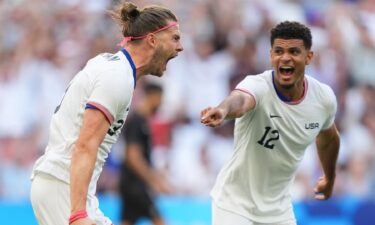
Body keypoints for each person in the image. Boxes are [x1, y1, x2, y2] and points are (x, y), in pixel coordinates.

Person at [30, 1, 183, 225]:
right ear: (152, 39)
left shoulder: (112, 66)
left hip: (64, 187)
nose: (180, 47)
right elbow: (86, 145)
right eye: (175, 38)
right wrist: (78, 215)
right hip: (63, 187)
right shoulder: (117, 76)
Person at [201, 21, 340, 225]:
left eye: (294, 51)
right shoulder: (257, 85)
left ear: (309, 57)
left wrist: (329, 178)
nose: (285, 58)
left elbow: (328, 138)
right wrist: (223, 110)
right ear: (270, 55)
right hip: (234, 205)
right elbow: (240, 100)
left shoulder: (323, 98)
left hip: (279, 211)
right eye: (279, 51)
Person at [119, 82, 171, 225]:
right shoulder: (137, 121)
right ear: (153, 96)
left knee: (127, 221)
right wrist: (153, 180)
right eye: (160, 98)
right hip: (136, 185)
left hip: (129, 183)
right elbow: (133, 156)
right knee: (159, 220)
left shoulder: (141, 121)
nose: (161, 103)